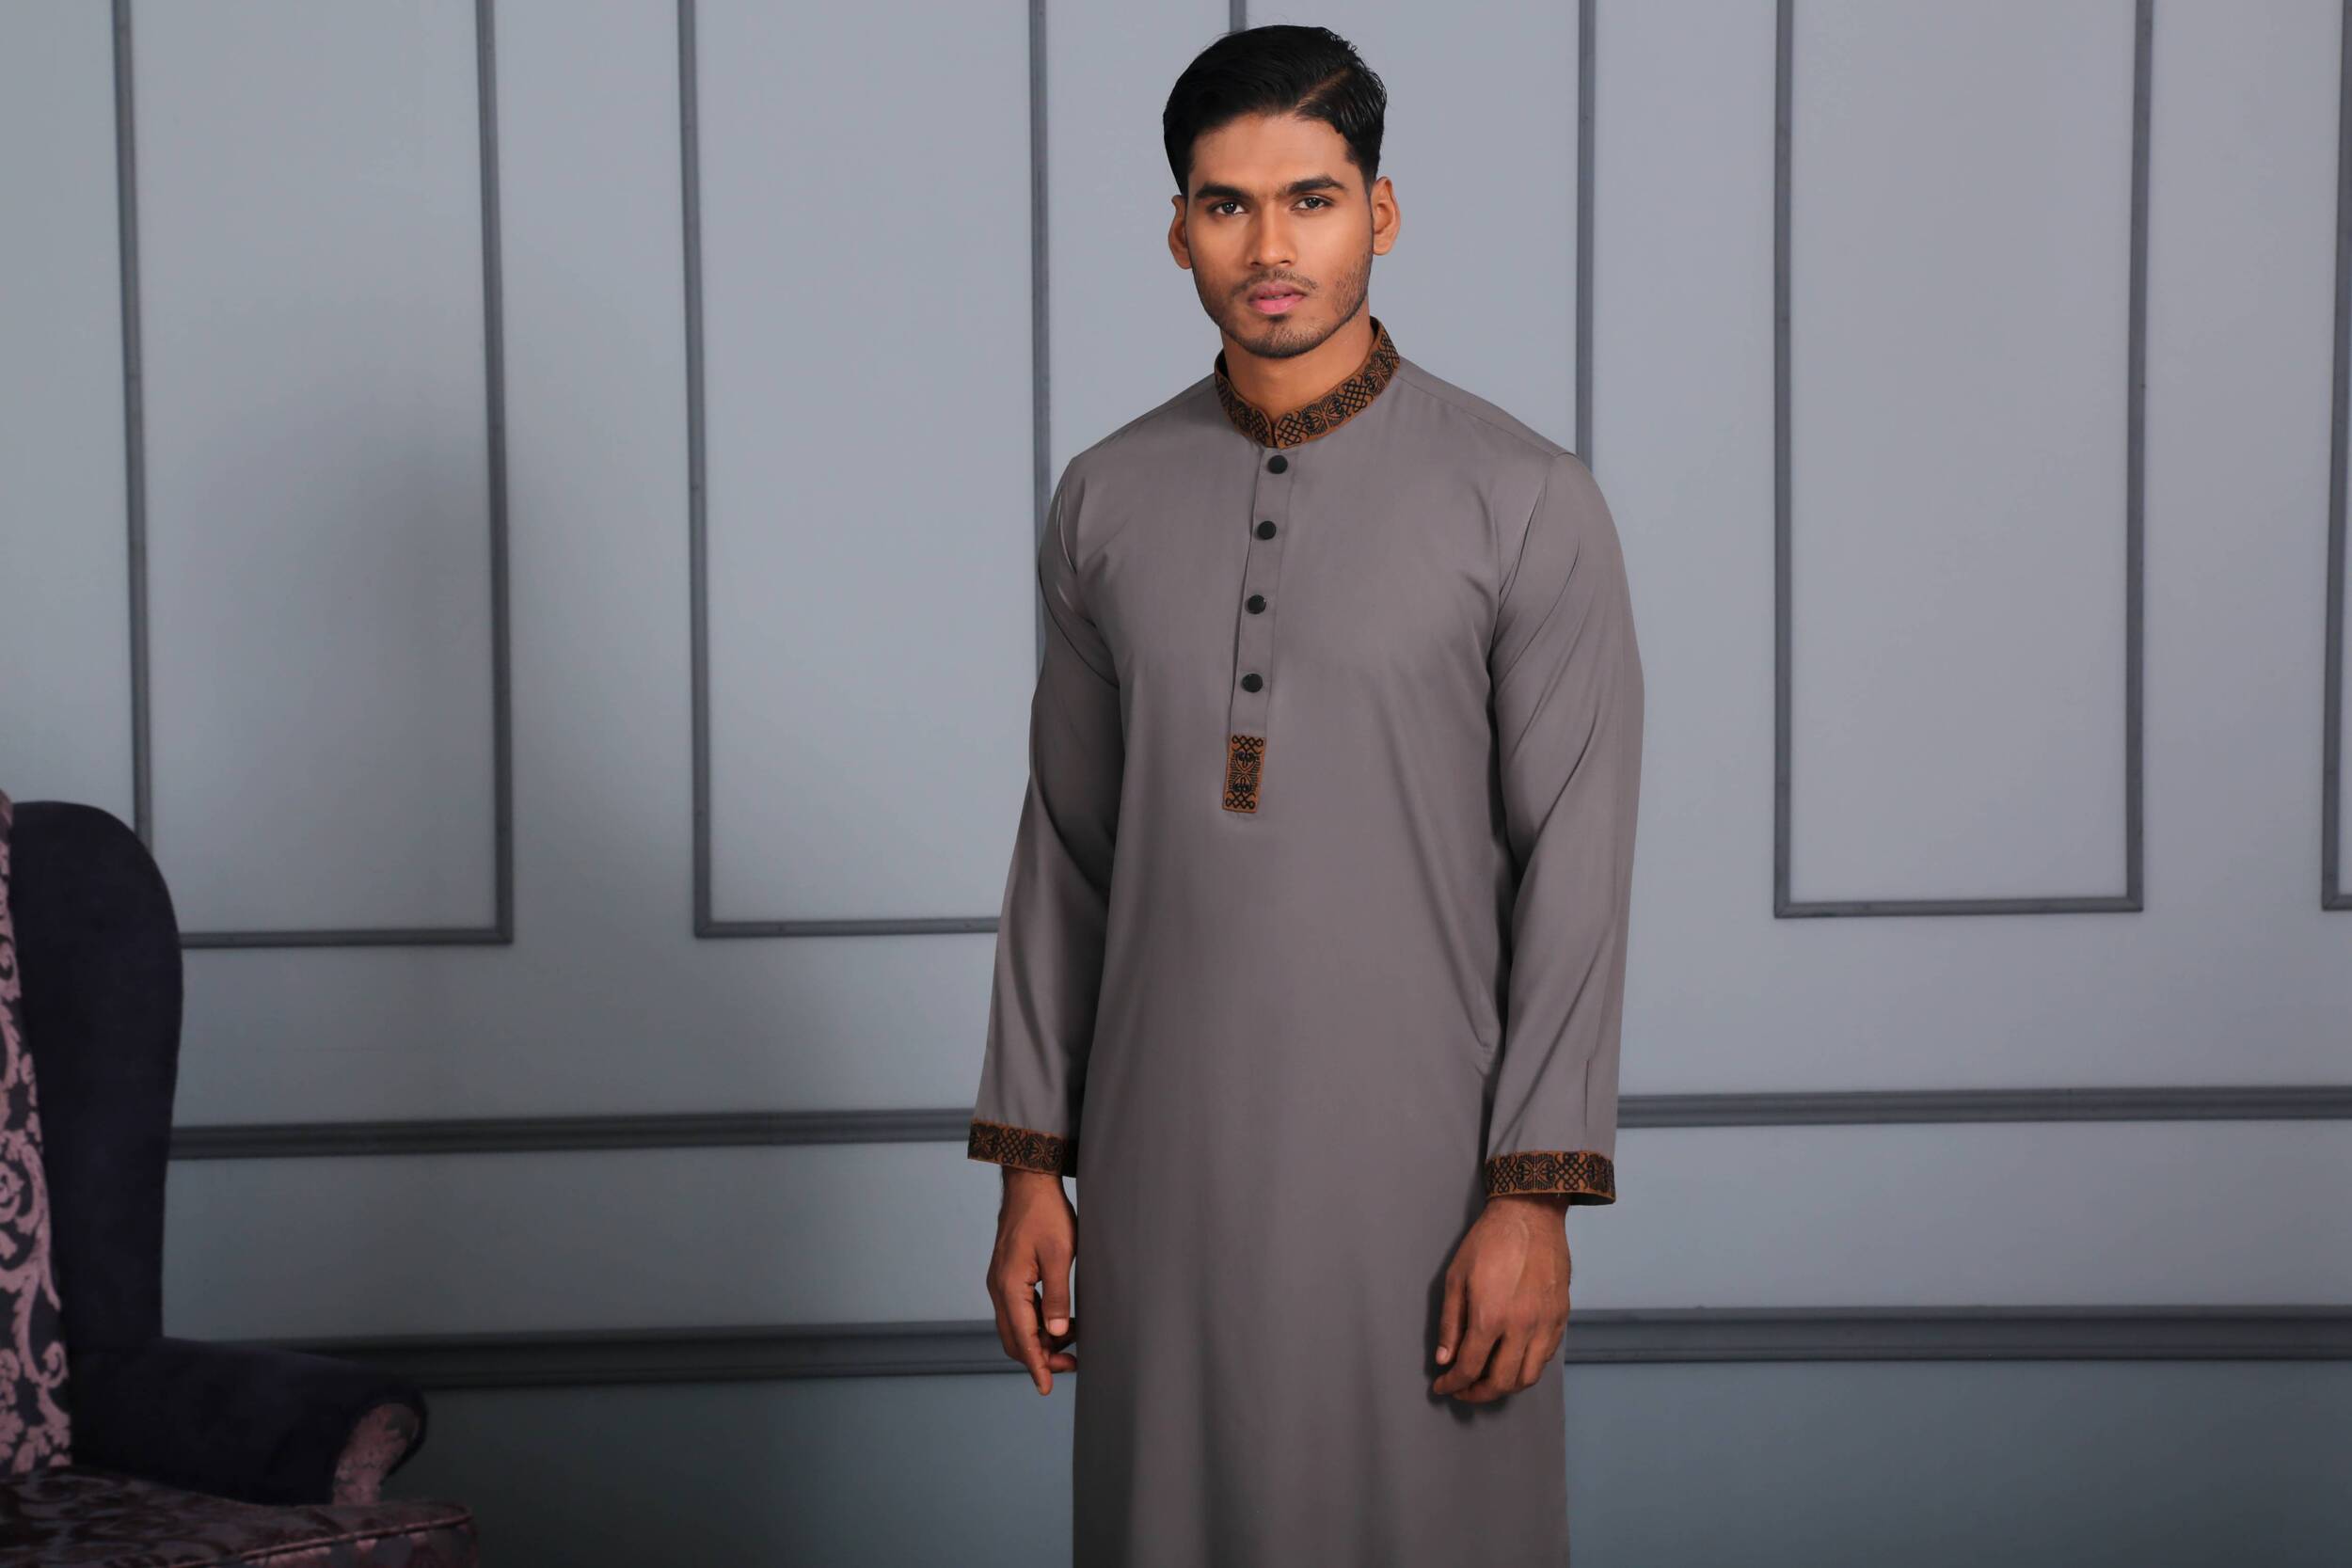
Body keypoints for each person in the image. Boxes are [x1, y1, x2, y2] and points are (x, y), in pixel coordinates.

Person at [966, 23, 1645, 1566]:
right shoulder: (1106, 496)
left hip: (1429, 1174)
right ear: (1179, 230)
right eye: (1228, 205)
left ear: (1379, 212)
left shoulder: (1526, 499)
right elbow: (1067, 850)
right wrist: (1030, 1170)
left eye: (1311, 200)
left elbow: (1578, 862)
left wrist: (1533, 1201)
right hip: (1163, 1168)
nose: (1269, 247)